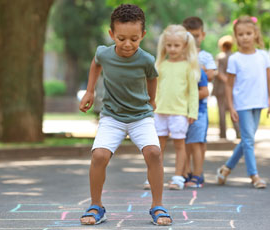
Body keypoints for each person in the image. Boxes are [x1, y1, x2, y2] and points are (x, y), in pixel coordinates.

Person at [79, 4, 172, 226]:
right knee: (99, 156)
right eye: (121, 38)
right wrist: (90, 91)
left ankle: (157, 205)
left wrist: (152, 99)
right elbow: (96, 63)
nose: (127, 44)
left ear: (143, 35)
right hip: (112, 116)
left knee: (154, 153)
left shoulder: (146, 59)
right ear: (112, 34)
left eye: (134, 39)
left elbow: (152, 78)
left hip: (141, 116)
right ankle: (96, 205)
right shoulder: (104, 53)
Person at [216, 16, 270, 189]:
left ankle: (226, 169)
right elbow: (229, 85)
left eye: (248, 33)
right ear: (236, 37)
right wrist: (231, 105)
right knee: (249, 141)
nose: (245, 37)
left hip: (258, 103)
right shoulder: (235, 59)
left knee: (246, 141)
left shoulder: (263, 56)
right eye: (241, 34)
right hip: (242, 104)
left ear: (255, 34)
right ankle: (254, 176)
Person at [148, 25, 200, 190]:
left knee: (179, 145)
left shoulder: (188, 66)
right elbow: (153, 89)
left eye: (176, 45)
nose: (172, 48)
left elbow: (193, 92)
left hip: (179, 113)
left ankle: (178, 177)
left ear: (184, 46)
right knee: (157, 147)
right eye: (169, 45)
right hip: (159, 111)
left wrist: (192, 111)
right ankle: (154, 176)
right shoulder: (160, 65)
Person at [181, 16, 217, 187]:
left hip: (199, 107)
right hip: (181, 106)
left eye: (195, 35)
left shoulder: (205, 56)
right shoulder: (180, 55)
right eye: (188, 36)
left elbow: (210, 74)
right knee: (185, 141)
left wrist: (197, 67)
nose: (192, 40)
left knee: (197, 141)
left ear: (202, 35)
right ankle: (186, 172)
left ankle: (198, 174)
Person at [213, 35, 240, 139]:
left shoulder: (220, 57)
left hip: (221, 89)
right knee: (233, 110)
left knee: (222, 113)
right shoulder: (235, 56)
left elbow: (219, 73)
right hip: (233, 89)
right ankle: (238, 132)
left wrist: (227, 82)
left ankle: (223, 134)